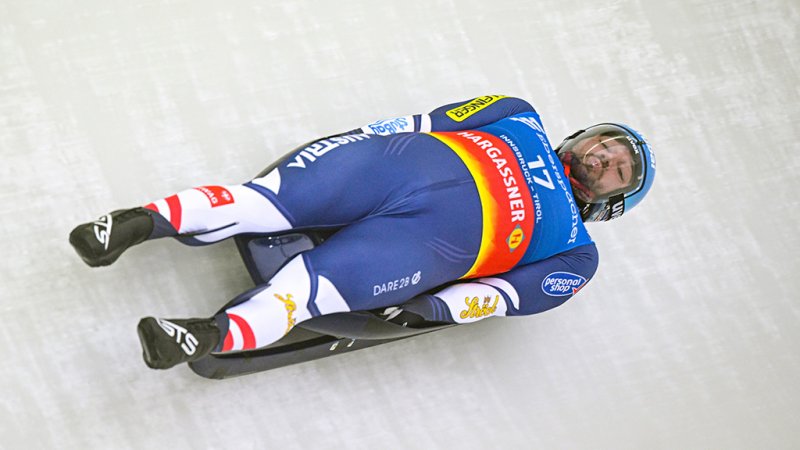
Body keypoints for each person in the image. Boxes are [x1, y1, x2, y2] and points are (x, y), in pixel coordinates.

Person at [69, 95, 656, 370]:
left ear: (613, 201)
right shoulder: (516, 113)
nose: (604, 158)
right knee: (264, 201)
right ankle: (135, 222)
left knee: (307, 291)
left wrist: (428, 310)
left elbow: (498, 298)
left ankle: (200, 336)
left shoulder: (576, 255)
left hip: (422, 244)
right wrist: (351, 144)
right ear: (583, 135)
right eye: (605, 144)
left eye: (618, 170)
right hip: (387, 167)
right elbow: (420, 121)